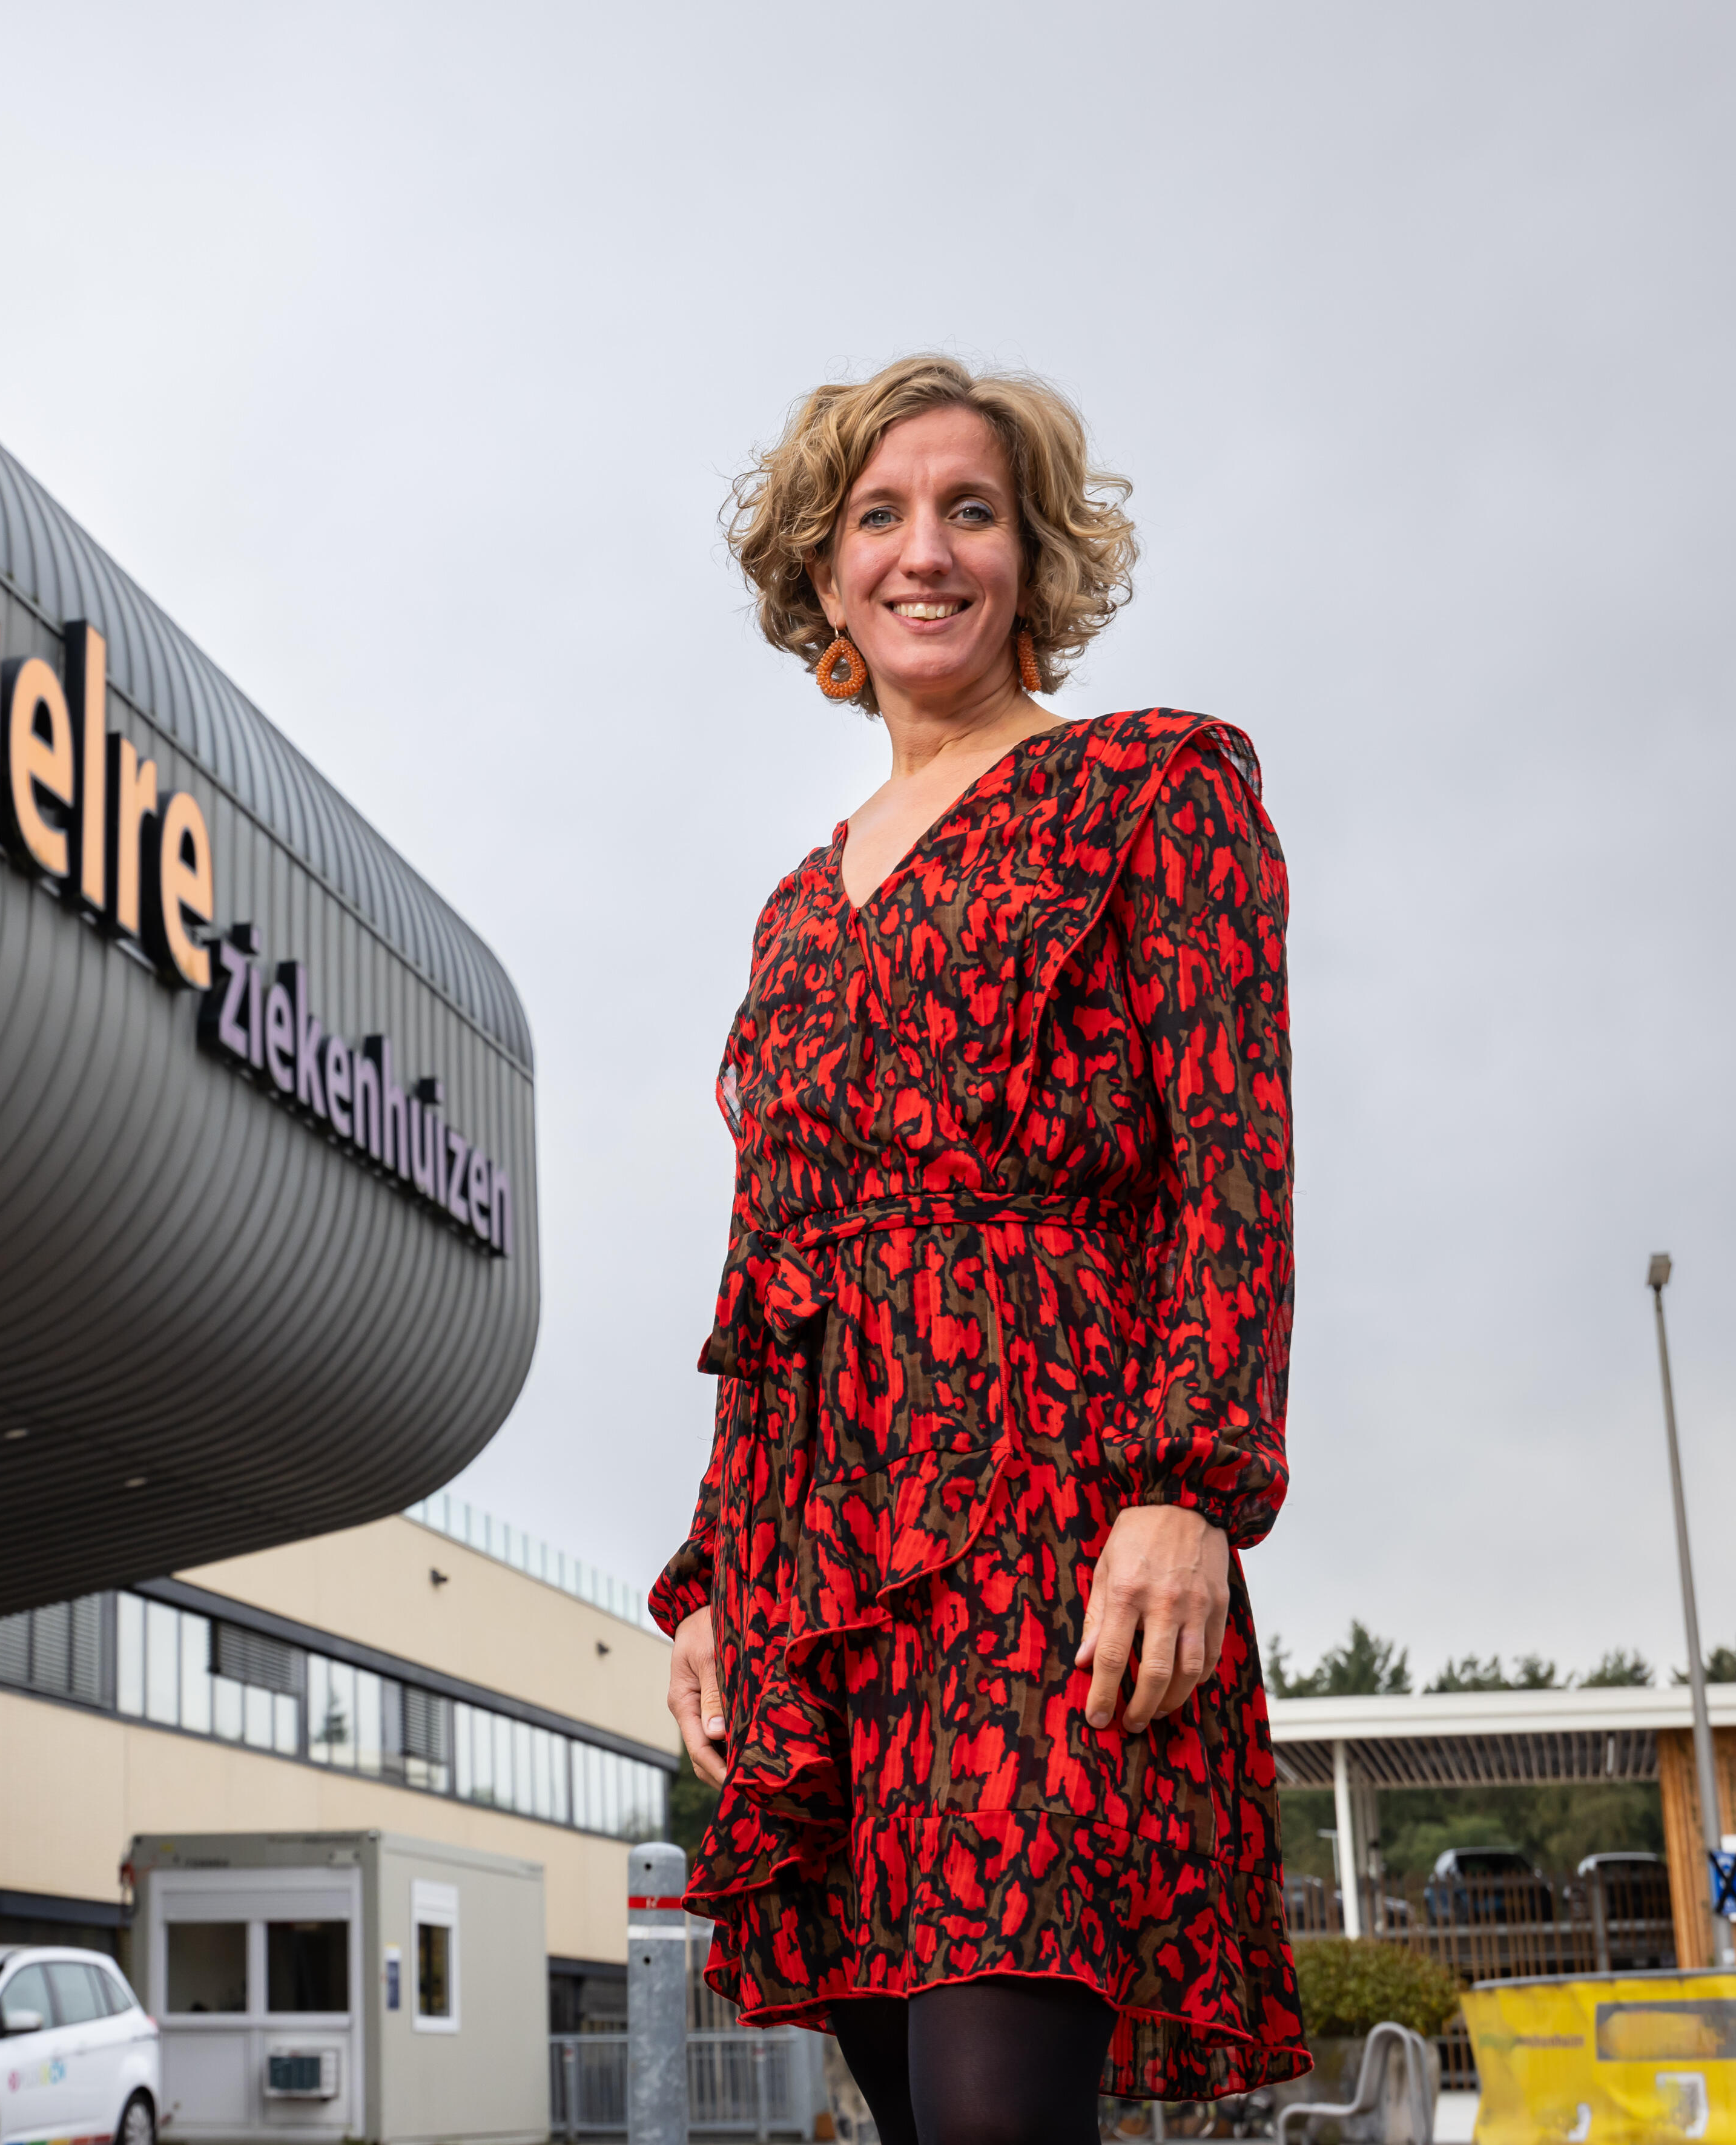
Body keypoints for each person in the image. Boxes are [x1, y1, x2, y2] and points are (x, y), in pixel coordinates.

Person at [656, 355, 1303, 2140]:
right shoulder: (799, 904)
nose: (923, 551)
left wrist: (1191, 1489)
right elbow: (765, 1269)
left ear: (1034, 560)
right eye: (879, 516)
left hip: (1051, 1522)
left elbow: (1231, 1165)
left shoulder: (1157, 785)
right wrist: (712, 1572)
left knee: (1002, 2111)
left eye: (970, 511)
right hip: (820, 1544)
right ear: (826, 574)